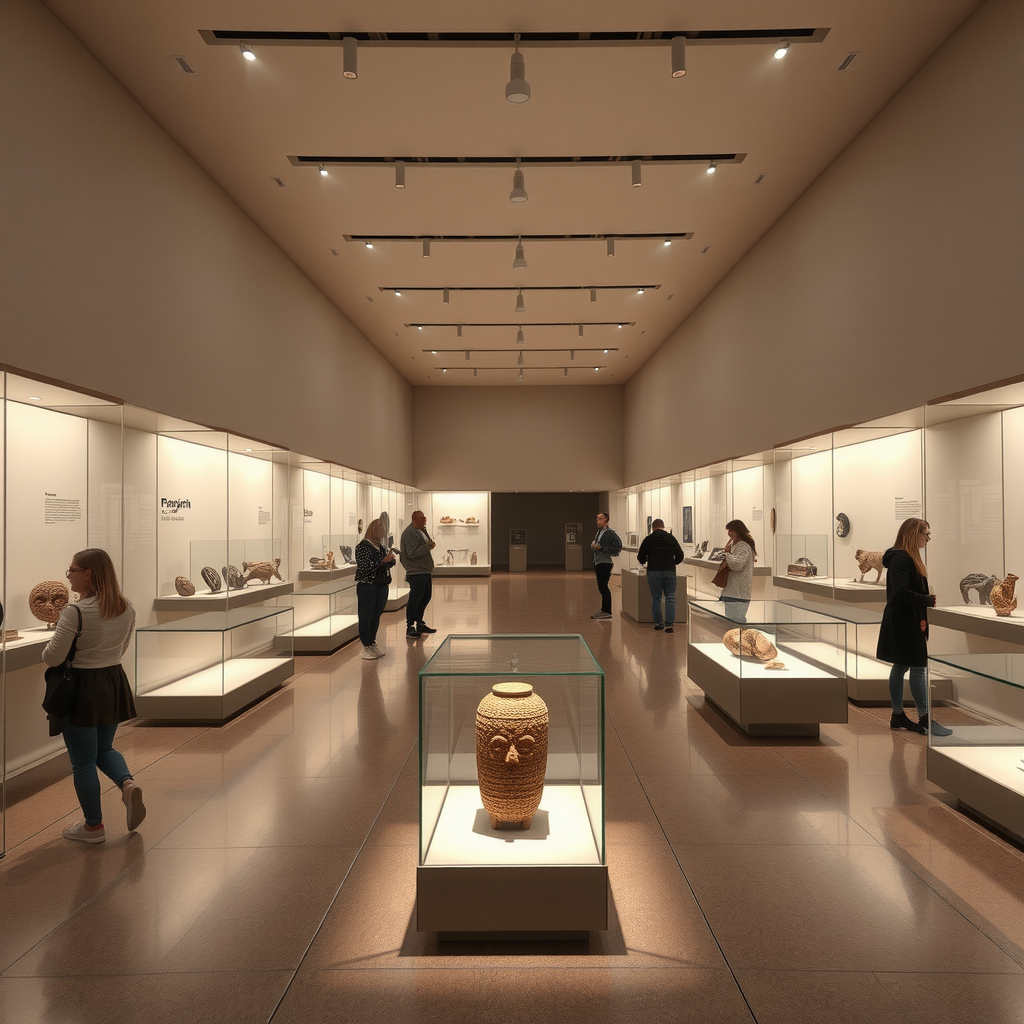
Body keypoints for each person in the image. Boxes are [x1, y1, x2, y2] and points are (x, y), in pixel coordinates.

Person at [42, 548, 144, 844]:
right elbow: (121, 648)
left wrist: (48, 648)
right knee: (104, 748)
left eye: (72, 570)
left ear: (88, 574)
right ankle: (127, 784)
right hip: (112, 681)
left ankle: (93, 827)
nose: (69, 575)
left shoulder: (75, 612)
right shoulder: (127, 608)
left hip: (81, 687)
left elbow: (52, 657)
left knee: (83, 761)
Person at [876, 518, 951, 736]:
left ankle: (898, 715)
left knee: (901, 667)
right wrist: (926, 600)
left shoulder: (906, 557)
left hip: (906, 620)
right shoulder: (901, 558)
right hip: (904, 621)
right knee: (917, 668)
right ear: (913, 534)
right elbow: (901, 591)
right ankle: (924, 718)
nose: (928, 538)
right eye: (925, 533)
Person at [355, 517, 396, 660]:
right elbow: (364, 566)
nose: (382, 532)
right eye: (380, 529)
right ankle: (366, 645)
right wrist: (382, 561)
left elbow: (384, 564)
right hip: (368, 586)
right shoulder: (362, 546)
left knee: (376, 615)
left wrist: (389, 560)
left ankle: (372, 642)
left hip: (381, 584)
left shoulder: (380, 546)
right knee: (366, 616)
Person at [636, 519, 684, 632]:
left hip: (653, 571)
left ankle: (658, 622)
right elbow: (680, 555)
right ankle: (669, 624)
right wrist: (673, 563)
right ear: (663, 527)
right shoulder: (671, 539)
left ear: (653, 528)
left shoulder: (648, 539)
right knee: (670, 597)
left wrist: (646, 561)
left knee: (656, 597)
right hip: (669, 570)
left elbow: (640, 557)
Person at [401, 510, 437, 640]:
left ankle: (419, 623)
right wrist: (427, 546)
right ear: (414, 520)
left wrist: (428, 544)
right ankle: (410, 626)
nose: (425, 520)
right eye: (423, 519)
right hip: (416, 572)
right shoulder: (409, 533)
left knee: (425, 597)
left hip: (424, 571)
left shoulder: (420, 530)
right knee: (415, 599)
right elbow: (412, 552)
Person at [720, 519, 756, 622]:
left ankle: (738, 638)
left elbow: (737, 565)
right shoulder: (736, 544)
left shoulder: (743, 546)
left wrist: (727, 555)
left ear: (738, 530)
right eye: (728, 531)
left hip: (739, 593)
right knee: (731, 621)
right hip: (733, 591)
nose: (729, 533)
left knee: (736, 622)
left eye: (732, 530)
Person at [590, 512, 622, 619]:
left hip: (604, 563)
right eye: (597, 518)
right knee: (601, 586)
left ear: (606, 520)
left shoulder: (608, 533)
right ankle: (604, 609)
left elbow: (618, 546)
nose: (598, 521)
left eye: (600, 519)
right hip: (599, 562)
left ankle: (607, 610)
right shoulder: (599, 533)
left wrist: (601, 548)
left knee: (603, 586)